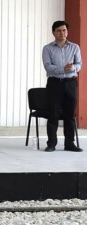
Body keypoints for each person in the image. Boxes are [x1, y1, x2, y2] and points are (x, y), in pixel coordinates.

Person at [42, 20, 82, 152]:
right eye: (58, 30)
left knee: (69, 115)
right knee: (53, 114)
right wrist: (63, 69)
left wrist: (72, 68)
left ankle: (69, 143)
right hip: (55, 83)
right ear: (53, 32)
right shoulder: (47, 48)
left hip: (70, 83)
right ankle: (51, 143)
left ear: (67, 32)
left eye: (64, 30)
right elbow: (48, 67)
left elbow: (79, 64)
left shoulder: (75, 47)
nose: (62, 33)